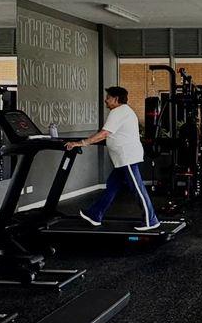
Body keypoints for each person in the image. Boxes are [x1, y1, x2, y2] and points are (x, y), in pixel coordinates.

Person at [66, 86, 161, 231]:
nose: (106, 100)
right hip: (122, 159)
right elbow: (112, 134)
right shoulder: (123, 111)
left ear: (116, 99)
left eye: (108, 97)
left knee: (137, 188)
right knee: (112, 186)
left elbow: (104, 133)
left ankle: (151, 220)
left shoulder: (118, 112)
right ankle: (95, 214)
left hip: (127, 157)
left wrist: (81, 143)